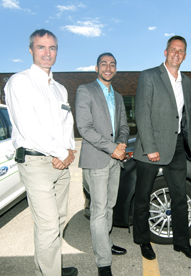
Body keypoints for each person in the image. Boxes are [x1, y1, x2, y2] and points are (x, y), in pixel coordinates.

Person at [133, 35, 191, 261]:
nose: (176, 54)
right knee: (142, 198)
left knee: (179, 198)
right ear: (165, 52)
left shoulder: (186, 81)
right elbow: (141, 112)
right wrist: (150, 146)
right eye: (173, 49)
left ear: (185, 56)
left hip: (178, 147)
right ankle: (143, 241)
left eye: (181, 51)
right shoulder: (149, 76)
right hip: (151, 149)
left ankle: (181, 243)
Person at [5, 29, 78, 276]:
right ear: (31, 50)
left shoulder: (60, 88)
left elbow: (67, 124)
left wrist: (69, 151)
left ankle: (49, 268)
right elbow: (29, 128)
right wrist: (61, 152)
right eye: (41, 47)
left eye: (52, 48)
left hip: (60, 163)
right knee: (47, 225)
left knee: (56, 222)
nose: (47, 53)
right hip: (36, 163)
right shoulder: (20, 81)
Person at [75, 52, 129, 276]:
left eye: (112, 64)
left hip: (115, 160)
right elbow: (84, 128)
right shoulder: (85, 90)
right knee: (98, 211)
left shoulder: (118, 96)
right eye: (104, 64)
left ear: (116, 69)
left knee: (109, 207)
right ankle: (103, 262)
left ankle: (105, 244)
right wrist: (112, 147)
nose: (108, 67)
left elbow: (124, 126)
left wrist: (123, 144)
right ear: (96, 68)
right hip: (96, 158)